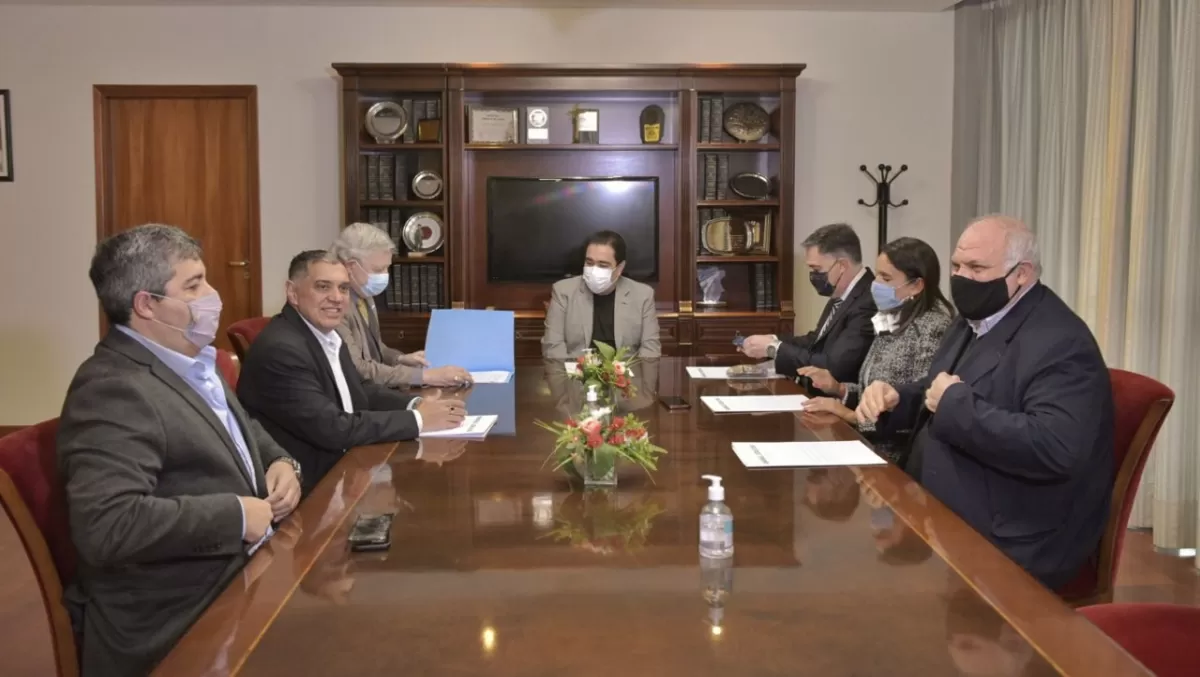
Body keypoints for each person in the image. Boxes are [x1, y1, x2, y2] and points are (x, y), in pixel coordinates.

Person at [58, 224, 302, 677]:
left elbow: (241, 428)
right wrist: (234, 516)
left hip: (241, 572)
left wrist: (282, 462)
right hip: (177, 614)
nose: (213, 294)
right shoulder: (113, 389)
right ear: (147, 305)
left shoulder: (192, 359)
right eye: (194, 285)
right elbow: (107, 525)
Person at [856, 215, 1113, 590]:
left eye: (977, 268)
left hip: (1014, 529)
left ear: (1022, 273)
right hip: (938, 502)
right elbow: (937, 392)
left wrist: (955, 403)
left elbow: (1055, 447)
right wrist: (896, 399)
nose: (962, 278)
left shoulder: (1060, 341)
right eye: (958, 265)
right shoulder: (976, 318)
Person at [237, 250, 466, 492]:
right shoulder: (282, 349)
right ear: (293, 292)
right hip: (309, 485)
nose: (336, 298)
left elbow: (359, 390)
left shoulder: (328, 335)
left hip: (347, 466)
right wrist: (418, 420)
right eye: (323, 287)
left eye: (344, 288)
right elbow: (333, 429)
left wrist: (415, 404)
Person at [797, 237, 954, 464]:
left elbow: (918, 410)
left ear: (916, 285)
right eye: (878, 274)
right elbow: (869, 390)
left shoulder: (932, 327)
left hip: (896, 461)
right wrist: (839, 389)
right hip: (866, 448)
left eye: (886, 278)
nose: (876, 283)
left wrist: (848, 415)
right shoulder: (892, 317)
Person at [329, 222, 472, 388]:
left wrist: (401, 359)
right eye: (378, 269)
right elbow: (358, 369)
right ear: (351, 267)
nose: (384, 276)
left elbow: (375, 349)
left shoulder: (364, 292)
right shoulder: (334, 306)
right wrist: (425, 376)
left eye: (387, 268)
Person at [739, 223, 876, 384]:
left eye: (817, 269)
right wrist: (773, 340)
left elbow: (836, 367)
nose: (813, 276)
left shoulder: (869, 301)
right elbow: (816, 341)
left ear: (842, 266)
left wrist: (775, 349)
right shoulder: (842, 292)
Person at [542, 230, 661, 359]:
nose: (594, 270)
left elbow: (651, 350)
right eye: (589, 263)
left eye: (603, 265)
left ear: (620, 268)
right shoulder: (563, 291)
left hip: (625, 375)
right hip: (576, 372)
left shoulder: (643, 295)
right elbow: (552, 347)